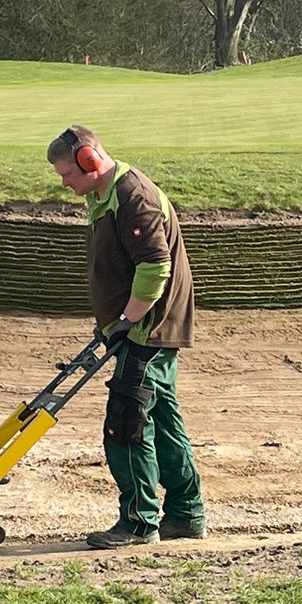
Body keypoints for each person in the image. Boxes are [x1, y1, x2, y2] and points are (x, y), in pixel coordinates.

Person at [47, 125, 206, 549]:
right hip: (138, 325)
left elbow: (155, 267)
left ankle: (138, 523)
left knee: (127, 420)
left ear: (91, 161)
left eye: (68, 174)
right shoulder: (104, 196)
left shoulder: (134, 197)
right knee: (163, 420)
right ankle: (186, 515)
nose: (65, 183)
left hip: (148, 328)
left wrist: (125, 320)